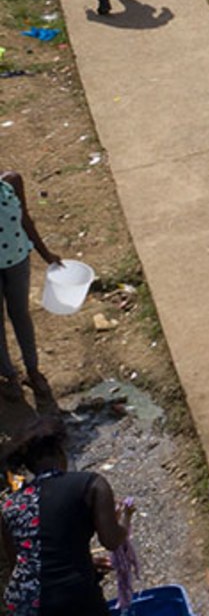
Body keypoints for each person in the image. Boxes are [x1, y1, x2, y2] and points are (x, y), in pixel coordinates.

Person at [0, 416, 134, 616]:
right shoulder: (91, 485)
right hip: (74, 597)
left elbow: (21, 565)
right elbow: (112, 541)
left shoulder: (10, 505)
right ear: (60, 452)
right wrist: (125, 516)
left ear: (27, 466)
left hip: (26, 604)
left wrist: (82, 561)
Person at [0, 172, 58, 410]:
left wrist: (47, 255)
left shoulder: (11, 182)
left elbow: (26, 220)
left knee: (21, 315)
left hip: (18, 261)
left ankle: (33, 371)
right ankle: (9, 375)